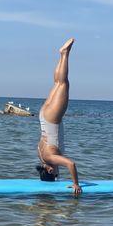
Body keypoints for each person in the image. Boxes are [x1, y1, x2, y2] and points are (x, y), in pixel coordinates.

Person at [37, 38, 81, 195]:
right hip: (44, 116)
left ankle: (64, 54)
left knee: (63, 84)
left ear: (50, 170)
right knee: (57, 83)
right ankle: (62, 55)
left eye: (56, 173)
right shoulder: (41, 155)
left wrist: (76, 184)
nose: (57, 171)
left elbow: (71, 164)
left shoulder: (50, 158)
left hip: (52, 119)